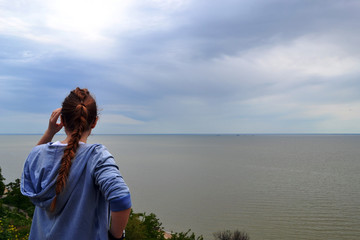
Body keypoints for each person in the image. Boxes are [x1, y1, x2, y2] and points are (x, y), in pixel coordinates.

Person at [20, 87, 131, 240]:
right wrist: (115, 237)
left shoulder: (40, 154)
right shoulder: (96, 156)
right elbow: (121, 199)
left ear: (62, 121)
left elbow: (33, 160)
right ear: (94, 122)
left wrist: (49, 132)